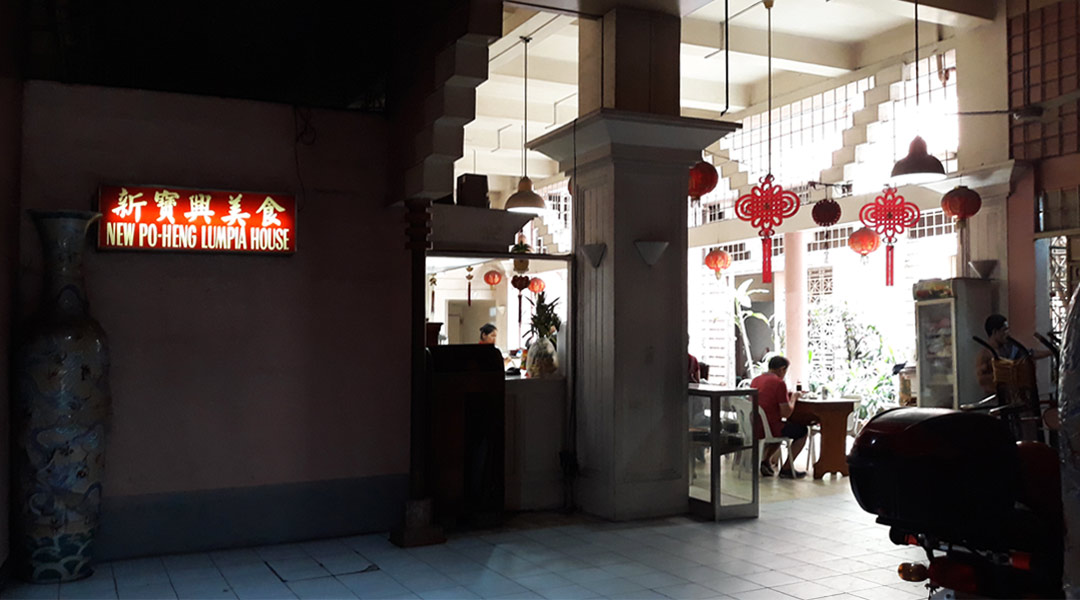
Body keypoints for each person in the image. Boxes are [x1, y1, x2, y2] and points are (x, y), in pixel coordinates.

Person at [750, 355, 808, 479]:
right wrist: (793, 398)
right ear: (782, 369)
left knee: (784, 429)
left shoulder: (756, 380)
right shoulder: (778, 383)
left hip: (755, 425)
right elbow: (786, 413)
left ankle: (765, 461)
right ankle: (787, 468)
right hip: (770, 427)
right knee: (802, 431)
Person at [976, 314, 1052, 396]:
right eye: (1004, 330)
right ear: (995, 332)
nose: (1007, 334)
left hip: (1014, 399)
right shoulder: (985, 354)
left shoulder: (1009, 348)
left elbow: (1029, 354)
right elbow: (981, 380)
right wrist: (1003, 375)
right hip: (996, 400)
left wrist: (1051, 352)